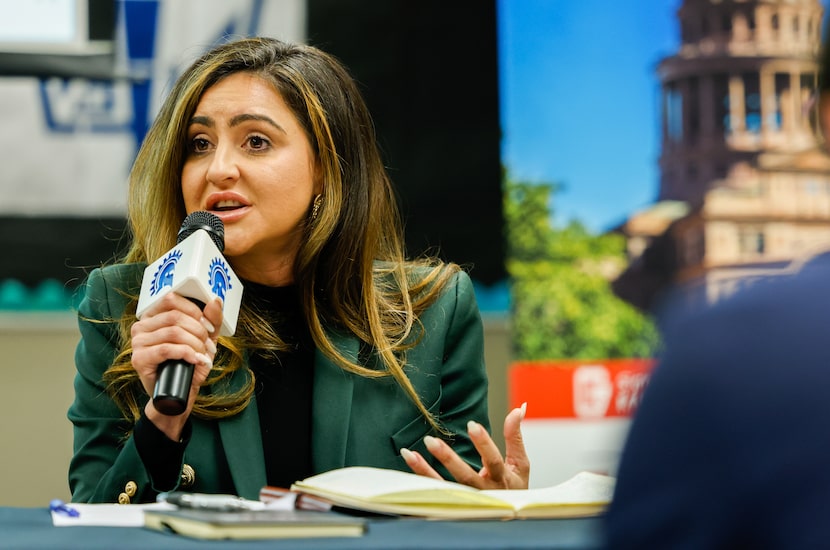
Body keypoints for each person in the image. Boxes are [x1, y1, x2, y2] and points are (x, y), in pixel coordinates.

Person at [68, 36, 529, 504]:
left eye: (256, 141)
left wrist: (496, 504)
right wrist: (162, 420)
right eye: (199, 143)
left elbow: (467, 496)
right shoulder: (124, 303)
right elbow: (87, 522)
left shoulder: (433, 309)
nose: (218, 169)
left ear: (328, 169)